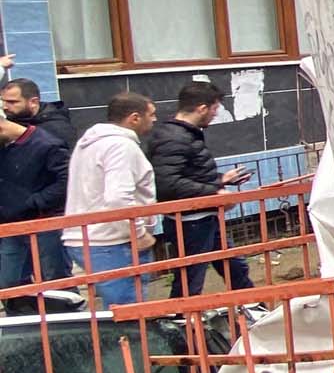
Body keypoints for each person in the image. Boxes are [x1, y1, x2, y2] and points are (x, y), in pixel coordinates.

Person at [147, 81, 252, 296]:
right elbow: (168, 184)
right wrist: (215, 191)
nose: (215, 115)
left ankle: (253, 308)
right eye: (215, 109)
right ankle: (182, 322)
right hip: (190, 222)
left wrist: (222, 180)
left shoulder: (183, 134)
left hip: (203, 217)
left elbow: (188, 175)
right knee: (190, 279)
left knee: (235, 268)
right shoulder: (174, 138)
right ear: (202, 108)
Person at [64, 92, 158, 307]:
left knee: (118, 311)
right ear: (134, 118)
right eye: (151, 114)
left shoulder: (88, 143)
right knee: (129, 313)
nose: (154, 120)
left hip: (87, 237)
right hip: (112, 241)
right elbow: (117, 199)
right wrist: (138, 234)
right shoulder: (120, 146)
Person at [0, 112, 70, 311]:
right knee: (9, 283)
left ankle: (66, 330)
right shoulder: (5, 146)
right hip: (11, 226)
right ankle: (22, 330)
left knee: (55, 282)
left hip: (44, 223)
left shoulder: (48, 144)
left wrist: (34, 202)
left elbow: (65, 181)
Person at [1, 76, 77, 150]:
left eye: (12, 102)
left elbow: (68, 160)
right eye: (3, 101)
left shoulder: (58, 129)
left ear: (33, 102)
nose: (5, 107)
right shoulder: (12, 120)